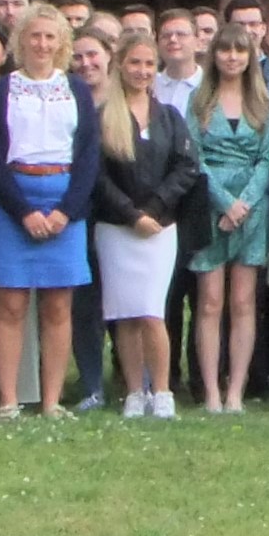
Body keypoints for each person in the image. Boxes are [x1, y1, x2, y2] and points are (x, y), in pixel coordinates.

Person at [0, 11, 101, 419]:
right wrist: (23, 211)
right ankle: (10, 400)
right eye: (34, 36)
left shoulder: (77, 90)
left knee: (58, 306)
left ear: (61, 42)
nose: (42, 44)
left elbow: (87, 155)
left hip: (65, 198)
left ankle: (51, 401)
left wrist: (66, 212)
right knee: (10, 305)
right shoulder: (1, 91)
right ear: (20, 40)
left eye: (50, 37)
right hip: (15, 198)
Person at [91, 31, 203, 418]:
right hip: (116, 228)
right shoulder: (103, 117)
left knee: (153, 311)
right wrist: (130, 214)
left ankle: (162, 390)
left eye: (148, 64)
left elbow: (187, 166)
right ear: (119, 65)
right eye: (134, 63)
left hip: (160, 228)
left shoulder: (169, 117)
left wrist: (154, 209)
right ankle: (134, 391)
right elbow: (97, 175)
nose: (142, 71)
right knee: (125, 312)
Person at [187, 26, 269, 415]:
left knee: (243, 302)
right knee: (210, 303)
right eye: (224, 50)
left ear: (249, 57)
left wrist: (244, 203)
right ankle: (211, 391)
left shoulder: (261, 101)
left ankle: (236, 393)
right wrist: (224, 202)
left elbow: (267, 159)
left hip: (252, 211)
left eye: (239, 51)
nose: (231, 57)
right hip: (209, 206)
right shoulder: (199, 100)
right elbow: (195, 157)